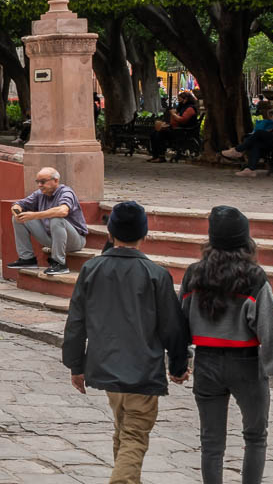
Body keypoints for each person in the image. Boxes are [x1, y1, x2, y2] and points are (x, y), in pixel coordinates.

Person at [61, 200, 190, 484]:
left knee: (123, 429)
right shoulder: (157, 275)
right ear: (144, 235)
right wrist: (179, 364)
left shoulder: (91, 269)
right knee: (134, 436)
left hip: (105, 367)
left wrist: (75, 364)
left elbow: (76, 322)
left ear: (110, 232)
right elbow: (172, 326)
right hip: (142, 370)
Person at [182, 206, 273, 484]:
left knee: (211, 442)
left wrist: (180, 360)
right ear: (245, 239)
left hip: (206, 364)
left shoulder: (194, 274)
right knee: (255, 436)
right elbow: (270, 328)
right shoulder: (254, 277)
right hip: (246, 365)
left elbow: (179, 321)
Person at [7, 167, 87, 273]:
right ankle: (27, 259)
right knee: (19, 218)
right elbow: (18, 204)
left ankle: (59, 263)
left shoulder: (66, 192)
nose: (39, 185)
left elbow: (63, 211)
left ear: (56, 181)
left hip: (74, 241)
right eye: (38, 182)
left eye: (43, 182)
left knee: (56, 218)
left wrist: (35, 215)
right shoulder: (40, 193)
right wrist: (17, 212)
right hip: (52, 239)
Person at [149, 91, 199, 161]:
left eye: (180, 100)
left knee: (159, 134)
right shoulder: (182, 108)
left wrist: (173, 114)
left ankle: (161, 157)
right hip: (177, 130)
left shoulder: (190, 108)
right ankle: (155, 155)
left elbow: (182, 120)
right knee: (153, 133)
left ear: (186, 99)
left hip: (183, 132)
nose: (179, 102)